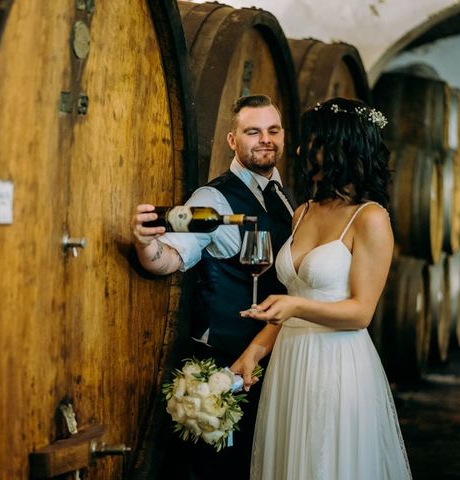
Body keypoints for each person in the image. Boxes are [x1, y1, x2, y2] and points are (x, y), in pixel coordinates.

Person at [231, 97, 412, 479]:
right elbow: (293, 302)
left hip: (338, 366)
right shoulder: (304, 211)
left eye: (312, 141)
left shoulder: (370, 217)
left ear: (340, 147)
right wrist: (253, 353)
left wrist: (294, 308)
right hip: (290, 365)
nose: (299, 149)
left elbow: (360, 313)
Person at [132, 94, 296, 479]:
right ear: (232, 140)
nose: (265, 139)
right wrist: (145, 244)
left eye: (272, 130)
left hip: (276, 357)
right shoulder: (212, 198)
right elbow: (171, 256)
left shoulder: (286, 197)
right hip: (228, 362)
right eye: (252, 131)